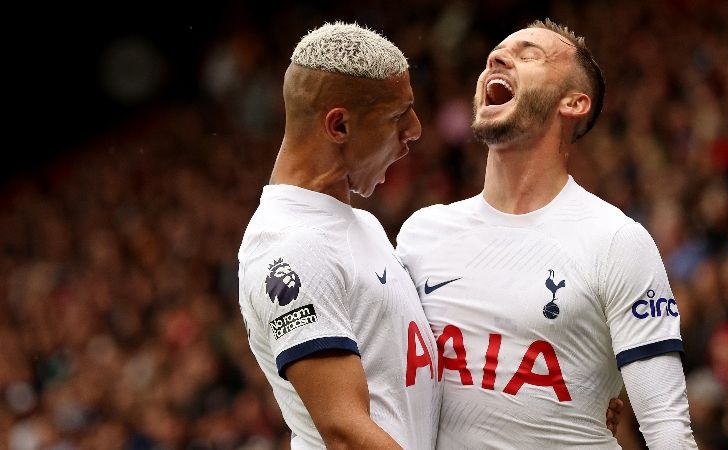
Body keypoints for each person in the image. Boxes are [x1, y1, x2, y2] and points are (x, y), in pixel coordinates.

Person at [396, 19, 698, 449]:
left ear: (574, 103)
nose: (496, 58)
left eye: (529, 54)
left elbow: (668, 429)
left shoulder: (616, 242)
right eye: (497, 53)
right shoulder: (420, 234)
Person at [237, 22, 440, 449]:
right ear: (339, 126)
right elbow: (346, 434)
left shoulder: (356, 224)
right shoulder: (292, 246)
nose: (415, 130)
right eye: (397, 116)